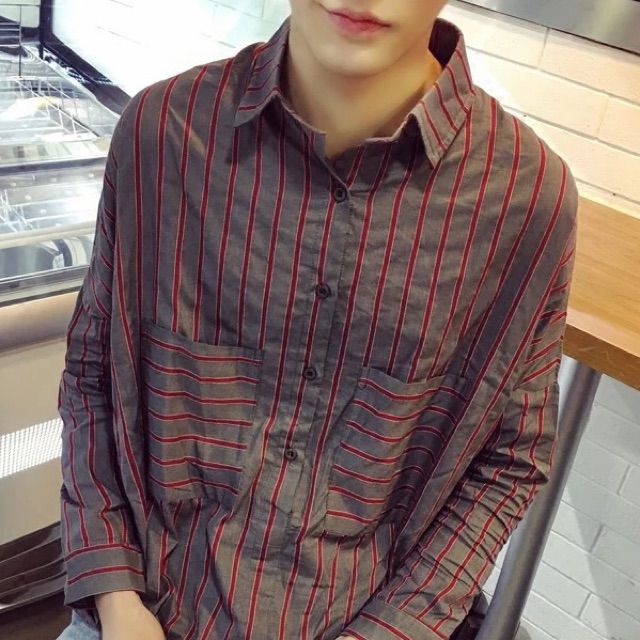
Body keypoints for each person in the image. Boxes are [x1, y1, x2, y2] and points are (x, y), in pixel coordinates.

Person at [56, 1, 578, 639]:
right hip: (142, 611)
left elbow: (510, 457)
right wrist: (116, 599)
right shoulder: (162, 132)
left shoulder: (526, 199)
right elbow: (93, 373)